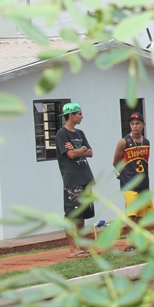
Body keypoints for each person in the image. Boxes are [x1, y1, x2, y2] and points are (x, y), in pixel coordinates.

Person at [55, 102, 95, 258]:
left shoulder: (80, 133)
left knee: (82, 214)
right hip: (72, 178)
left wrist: (80, 150)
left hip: (85, 177)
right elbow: (70, 155)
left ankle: (82, 245)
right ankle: (72, 249)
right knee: (72, 213)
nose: (82, 116)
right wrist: (81, 150)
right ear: (71, 115)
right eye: (79, 114)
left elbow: (90, 152)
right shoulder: (61, 134)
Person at [112, 113, 153, 243]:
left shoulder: (146, 142)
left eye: (138, 124)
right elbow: (115, 162)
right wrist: (120, 174)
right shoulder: (124, 142)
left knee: (141, 215)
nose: (135, 127)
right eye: (132, 124)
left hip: (143, 182)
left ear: (143, 125)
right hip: (129, 182)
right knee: (132, 214)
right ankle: (130, 241)